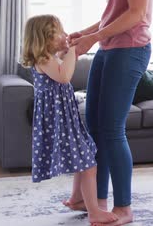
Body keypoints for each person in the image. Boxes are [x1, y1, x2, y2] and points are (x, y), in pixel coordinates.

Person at [65, 0, 153, 226]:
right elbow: (113, 13)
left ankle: (125, 208)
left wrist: (92, 39)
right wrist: (85, 34)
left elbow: (136, 14)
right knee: (93, 126)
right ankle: (96, 203)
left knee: (112, 131)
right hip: (110, 47)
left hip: (129, 49)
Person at [21, 15, 118, 226]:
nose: (65, 35)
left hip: (66, 121)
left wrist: (66, 51)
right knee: (88, 164)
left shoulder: (50, 57)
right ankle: (94, 212)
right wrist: (73, 51)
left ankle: (76, 199)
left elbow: (62, 69)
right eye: (60, 32)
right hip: (59, 123)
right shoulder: (43, 59)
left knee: (83, 158)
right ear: (45, 38)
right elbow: (64, 76)